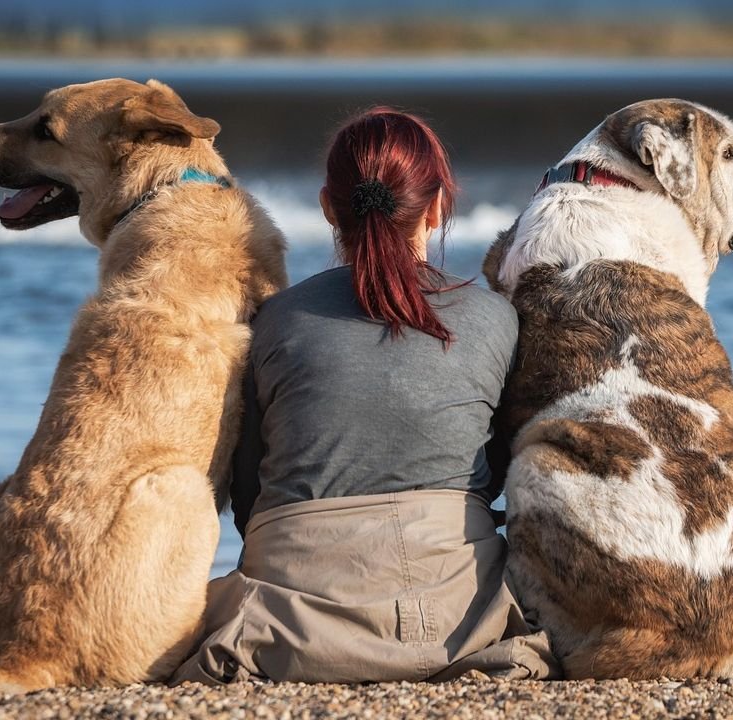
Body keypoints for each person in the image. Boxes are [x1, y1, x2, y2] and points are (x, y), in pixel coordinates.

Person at [172, 108, 558, 685]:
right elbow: (498, 473)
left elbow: (251, 498)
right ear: (438, 206)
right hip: (458, 617)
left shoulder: (274, 320)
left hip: (287, 619)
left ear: (329, 207)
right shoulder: (495, 317)